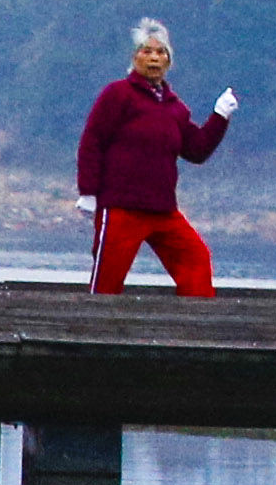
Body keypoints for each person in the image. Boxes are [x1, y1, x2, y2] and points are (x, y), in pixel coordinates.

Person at [75, 18, 238, 297]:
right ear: (134, 56)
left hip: (162, 210)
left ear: (169, 60)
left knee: (196, 260)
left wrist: (220, 116)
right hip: (120, 208)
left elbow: (196, 150)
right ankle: (93, 336)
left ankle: (193, 330)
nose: (154, 58)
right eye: (147, 51)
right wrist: (88, 192)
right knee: (107, 282)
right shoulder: (118, 95)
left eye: (161, 52)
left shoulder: (175, 108)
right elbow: (92, 141)